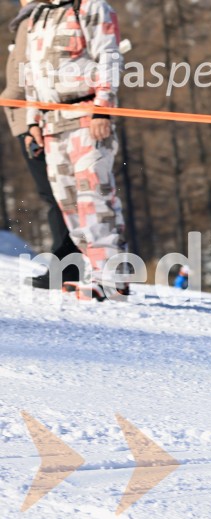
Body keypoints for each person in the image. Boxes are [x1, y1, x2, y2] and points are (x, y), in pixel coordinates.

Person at [24, 0, 125, 300]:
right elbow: (30, 72)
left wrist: (103, 109)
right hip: (52, 123)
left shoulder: (91, 6)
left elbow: (109, 56)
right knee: (69, 205)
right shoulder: (39, 14)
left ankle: (112, 278)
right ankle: (95, 272)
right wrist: (33, 122)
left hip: (85, 116)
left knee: (94, 198)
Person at [2, 0, 81, 287]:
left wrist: (21, 110)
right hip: (28, 118)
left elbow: (28, 72)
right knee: (56, 195)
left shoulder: (37, 18)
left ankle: (68, 266)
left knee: (56, 195)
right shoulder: (30, 18)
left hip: (33, 119)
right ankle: (71, 264)